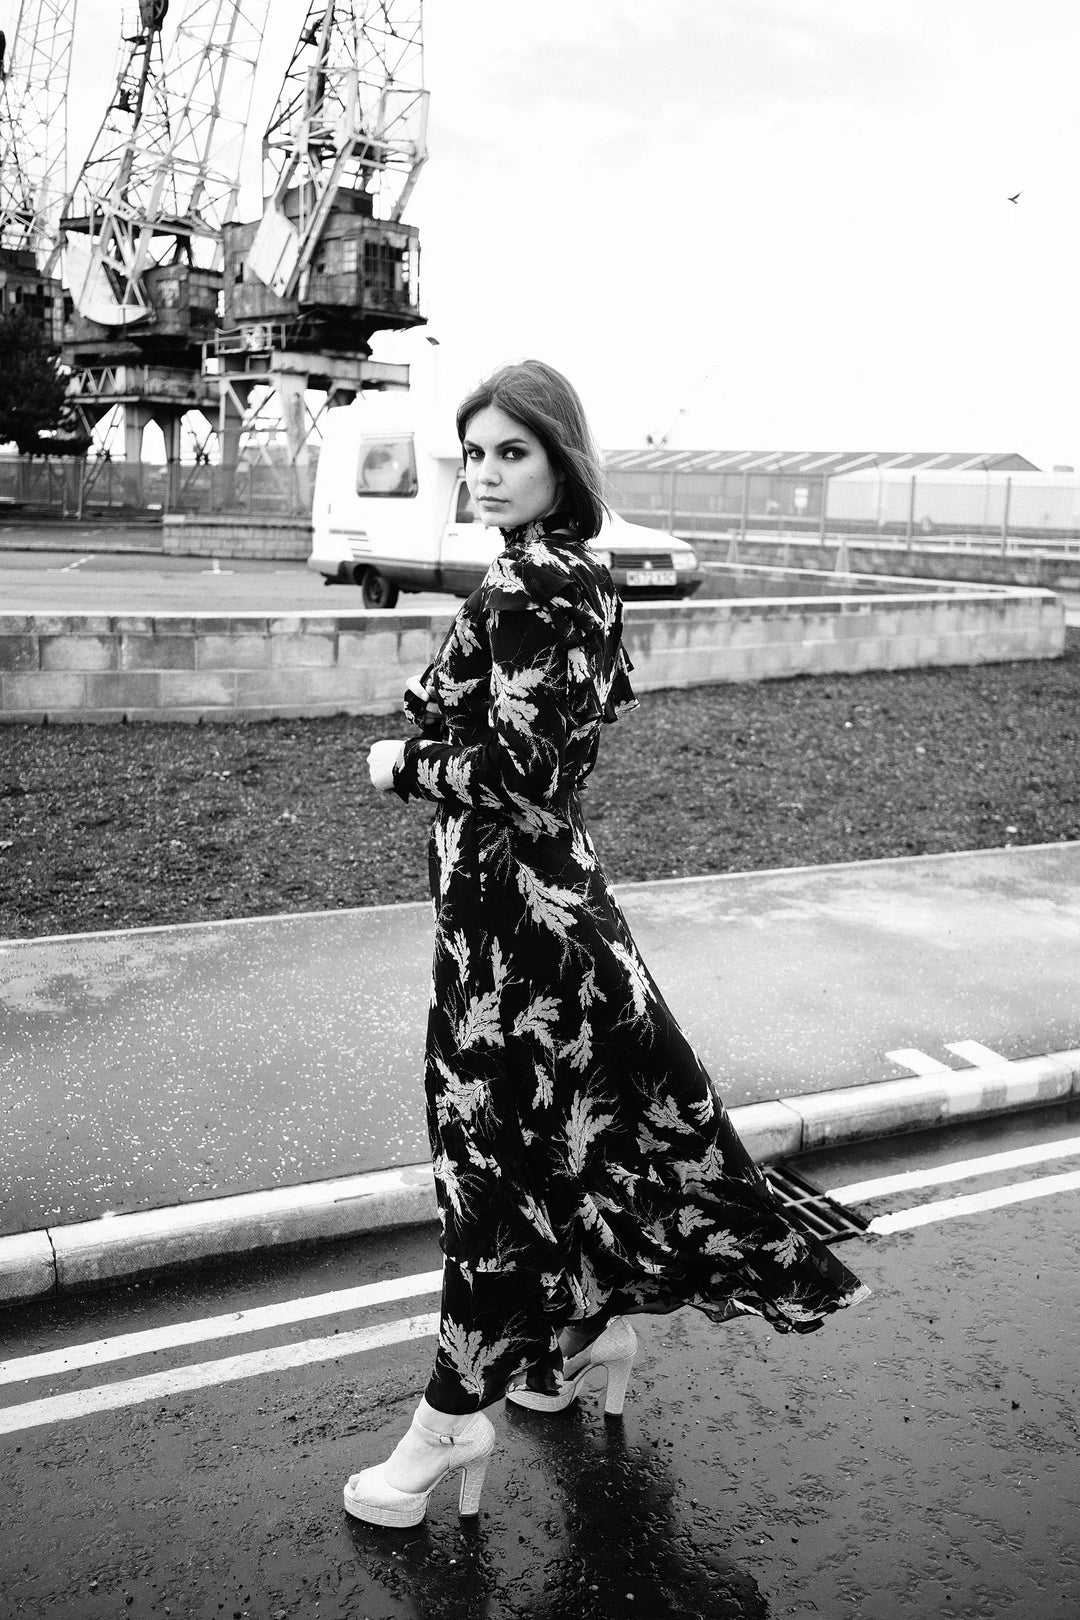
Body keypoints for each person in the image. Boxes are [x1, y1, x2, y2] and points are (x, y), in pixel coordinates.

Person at [346, 360, 869, 1529]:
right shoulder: (575, 573)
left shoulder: (532, 583)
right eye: (474, 453)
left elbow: (532, 774)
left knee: (489, 1178)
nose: (484, 475)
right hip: (544, 916)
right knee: (561, 1154)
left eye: (511, 454)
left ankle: (444, 1427)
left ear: (560, 459)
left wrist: (405, 766)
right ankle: (592, 1340)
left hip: (514, 941)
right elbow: (557, 719)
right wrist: (447, 699)